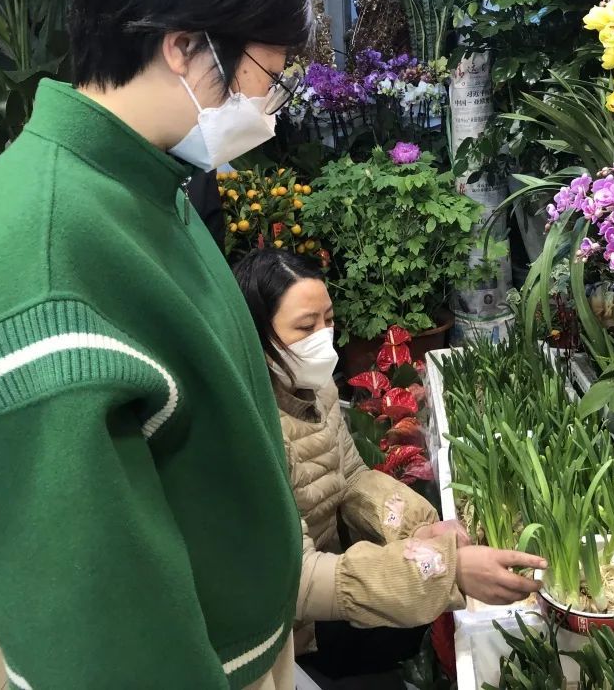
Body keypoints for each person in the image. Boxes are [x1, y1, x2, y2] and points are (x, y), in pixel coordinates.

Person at [0, 0, 312, 688]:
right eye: (267, 73)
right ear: (184, 47)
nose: (269, 103)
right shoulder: (45, 249)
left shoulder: (138, 183)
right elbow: (88, 613)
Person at [232, 249, 546, 681]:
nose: (323, 337)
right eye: (305, 327)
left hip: (332, 585)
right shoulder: (248, 432)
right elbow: (296, 579)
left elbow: (352, 477)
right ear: (255, 336)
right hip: (289, 634)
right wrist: (446, 570)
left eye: (328, 320)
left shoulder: (316, 388)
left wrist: (419, 528)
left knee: (414, 630)